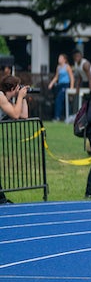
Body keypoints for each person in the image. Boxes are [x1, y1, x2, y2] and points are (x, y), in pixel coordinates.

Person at [0, 75, 30, 204]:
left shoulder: (7, 100)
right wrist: (19, 97)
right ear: (12, 88)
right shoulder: (0, 96)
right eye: (18, 87)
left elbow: (24, 115)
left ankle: (1, 199)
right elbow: (16, 115)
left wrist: (22, 99)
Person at [47, 53, 72, 121]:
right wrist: (51, 83)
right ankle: (64, 116)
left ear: (64, 59)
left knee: (59, 99)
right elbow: (56, 77)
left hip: (65, 85)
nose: (59, 59)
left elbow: (71, 78)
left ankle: (58, 116)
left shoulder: (67, 67)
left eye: (60, 58)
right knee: (61, 100)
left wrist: (71, 88)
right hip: (60, 85)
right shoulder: (58, 67)